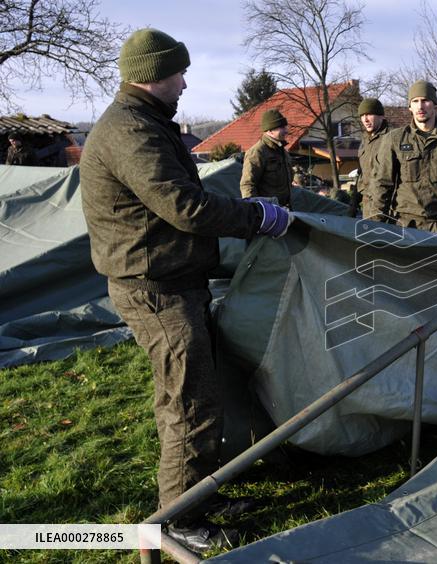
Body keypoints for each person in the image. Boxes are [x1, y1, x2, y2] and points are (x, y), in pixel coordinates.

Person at [79, 28, 292, 553]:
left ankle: (200, 493)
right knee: (188, 402)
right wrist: (256, 216)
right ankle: (177, 516)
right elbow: (185, 207)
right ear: (154, 74)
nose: (185, 81)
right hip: (155, 289)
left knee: (203, 392)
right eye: (179, 72)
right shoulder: (131, 131)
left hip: (174, 280)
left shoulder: (148, 124)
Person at [372, 80, 437, 242]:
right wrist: (375, 225)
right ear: (409, 107)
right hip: (404, 226)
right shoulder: (394, 139)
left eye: (425, 100)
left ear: (435, 106)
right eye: (415, 101)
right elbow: (382, 184)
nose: (420, 106)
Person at [240, 108, 293, 207]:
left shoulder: (282, 151)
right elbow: (247, 185)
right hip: (269, 212)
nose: (286, 131)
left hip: (285, 210)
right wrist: (255, 211)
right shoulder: (257, 152)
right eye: (281, 127)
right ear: (270, 130)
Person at [356, 97, 391, 220]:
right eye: (362, 115)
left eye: (369, 114)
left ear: (381, 116)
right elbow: (362, 175)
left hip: (386, 208)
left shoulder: (390, 139)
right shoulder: (365, 141)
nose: (365, 119)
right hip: (367, 206)